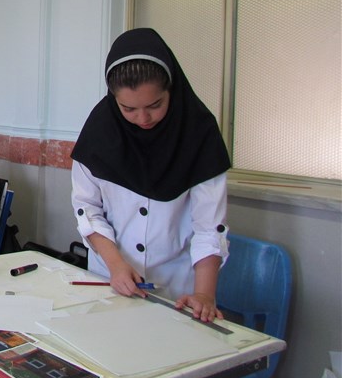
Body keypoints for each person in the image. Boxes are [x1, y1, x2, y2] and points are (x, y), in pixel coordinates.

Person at [70, 27, 231, 324]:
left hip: (177, 290)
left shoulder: (199, 134)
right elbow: (87, 207)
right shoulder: (99, 134)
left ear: (172, 89)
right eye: (128, 108)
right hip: (110, 278)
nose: (143, 118)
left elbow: (209, 227)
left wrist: (204, 295)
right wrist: (115, 264)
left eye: (155, 105)